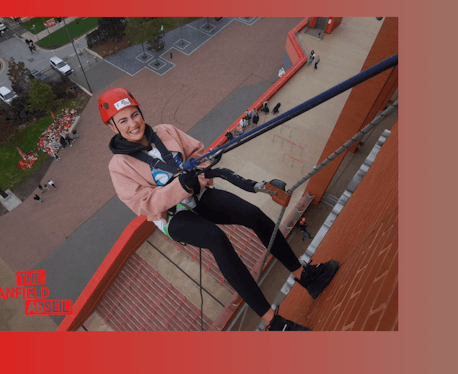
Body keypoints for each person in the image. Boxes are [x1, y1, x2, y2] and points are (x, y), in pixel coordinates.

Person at [98, 87, 340, 331]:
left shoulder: (165, 131)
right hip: (172, 216)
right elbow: (143, 203)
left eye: (135, 115)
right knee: (217, 239)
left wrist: (198, 175)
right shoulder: (118, 166)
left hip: (198, 193)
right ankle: (274, 323)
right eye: (123, 121)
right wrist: (180, 187)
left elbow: (197, 153)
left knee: (253, 215)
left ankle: (305, 276)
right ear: (112, 127)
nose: (133, 124)